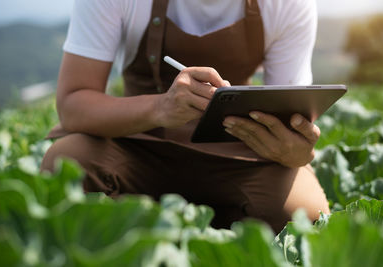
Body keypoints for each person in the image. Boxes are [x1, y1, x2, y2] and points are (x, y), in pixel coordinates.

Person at [41, 0, 330, 233]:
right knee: (66, 164)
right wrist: (159, 108)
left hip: (239, 157)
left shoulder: (290, 4)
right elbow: (72, 104)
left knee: (305, 215)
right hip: (135, 145)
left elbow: (290, 113)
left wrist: (295, 152)